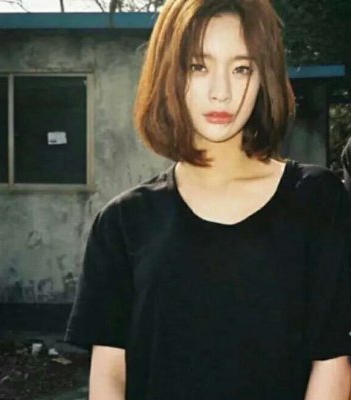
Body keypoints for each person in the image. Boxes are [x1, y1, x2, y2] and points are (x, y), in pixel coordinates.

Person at [64, 0, 351, 399]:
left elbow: (332, 360)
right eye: (198, 66)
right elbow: (110, 374)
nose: (221, 92)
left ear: (264, 77)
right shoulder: (123, 222)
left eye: (242, 68)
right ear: (168, 74)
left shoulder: (317, 200)